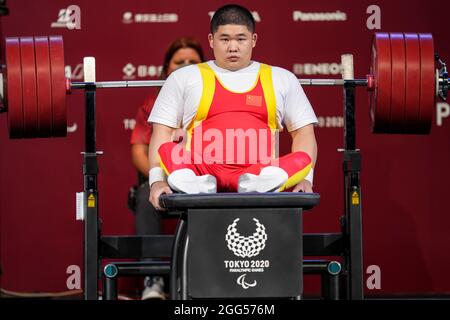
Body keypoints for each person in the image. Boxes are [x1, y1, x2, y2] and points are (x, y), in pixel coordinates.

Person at [148, 4, 318, 211]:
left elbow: (303, 133)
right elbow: (162, 133)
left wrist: (306, 179)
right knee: (168, 149)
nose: (233, 47)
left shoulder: (282, 79)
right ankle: (191, 181)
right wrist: (157, 182)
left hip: (259, 174)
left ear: (253, 40)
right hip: (203, 174)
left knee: (302, 159)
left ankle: (256, 184)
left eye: (241, 38)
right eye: (225, 39)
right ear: (211, 40)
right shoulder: (183, 78)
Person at [130, 37, 204, 299]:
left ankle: (205, 278)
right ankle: (153, 279)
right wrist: (159, 176)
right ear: (166, 69)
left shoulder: (214, 98)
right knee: (144, 195)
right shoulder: (152, 103)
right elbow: (139, 149)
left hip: (204, 179)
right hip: (165, 178)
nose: (185, 66)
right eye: (179, 62)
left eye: (192, 62)